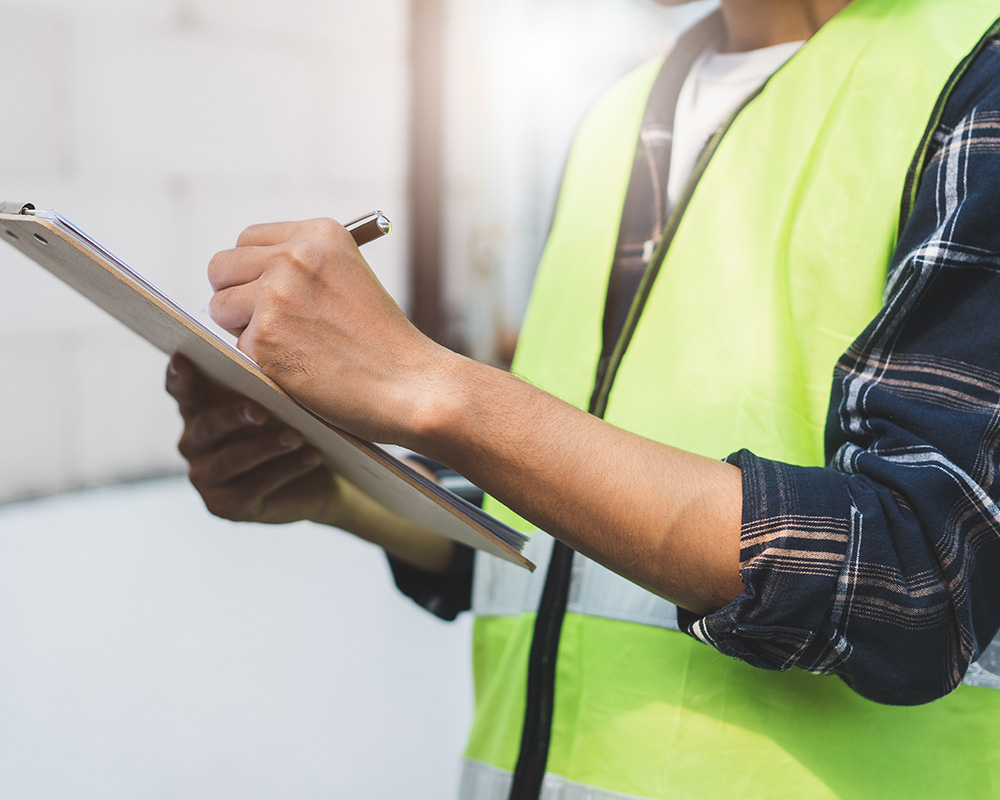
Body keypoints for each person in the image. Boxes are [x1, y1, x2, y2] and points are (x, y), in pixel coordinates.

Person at [166, 0, 1000, 796]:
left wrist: (429, 386)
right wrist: (338, 489)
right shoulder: (617, 118)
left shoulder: (971, 73)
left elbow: (919, 577)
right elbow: (563, 540)